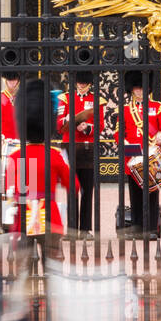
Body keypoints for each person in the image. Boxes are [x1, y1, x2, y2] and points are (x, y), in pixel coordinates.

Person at [3, 78, 75, 261]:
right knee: (51, 270)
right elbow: (73, 186)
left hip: (22, 219)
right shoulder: (54, 155)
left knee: (23, 270)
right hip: (50, 219)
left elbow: (7, 190)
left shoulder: (15, 156)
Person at [55, 71, 106, 235]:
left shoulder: (96, 99)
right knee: (71, 189)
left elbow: (100, 125)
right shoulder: (65, 98)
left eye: (84, 82)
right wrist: (68, 120)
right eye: (79, 81)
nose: (81, 84)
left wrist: (87, 128)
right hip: (69, 147)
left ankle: (85, 229)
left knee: (87, 189)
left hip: (87, 146)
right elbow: (57, 123)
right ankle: (71, 228)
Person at [119, 70, 161, 239]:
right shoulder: (125, 109)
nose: (139, 91)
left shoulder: (158, 107)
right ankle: (138, 228)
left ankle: (151, 228)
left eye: (142, 88)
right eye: (136, 88)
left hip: (152, 157)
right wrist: (130, 151)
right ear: (131, 89)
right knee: (135, 194)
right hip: (132, 157)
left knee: (152, 194)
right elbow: (119, 134)